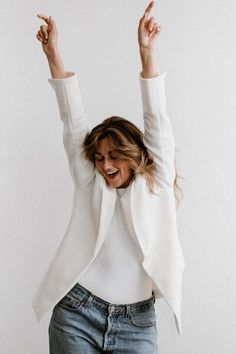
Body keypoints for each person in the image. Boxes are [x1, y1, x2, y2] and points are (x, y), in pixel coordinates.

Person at [33, 1, 185, 353]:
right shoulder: (91, 183)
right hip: (76, 312)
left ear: (133, 155)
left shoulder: (156, 184)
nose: (105, 165)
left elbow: (156, 119)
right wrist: (53, 54)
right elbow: (72, 121)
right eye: (99, 157)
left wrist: (147, 55)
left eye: (114, 156)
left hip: (137, 323)